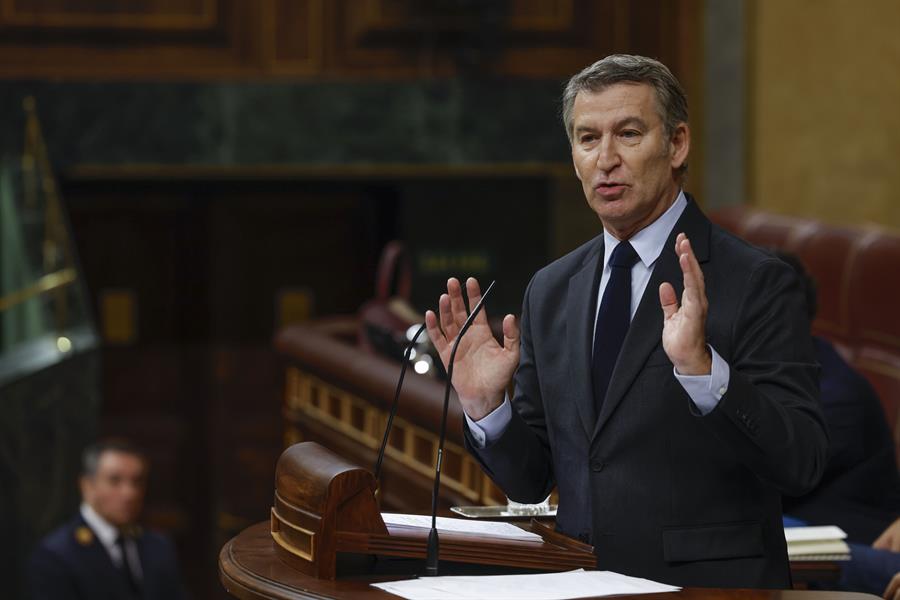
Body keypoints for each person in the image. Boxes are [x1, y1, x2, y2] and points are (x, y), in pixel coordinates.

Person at [424, 54, 829, 589]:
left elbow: (801, 462)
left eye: (629, 134)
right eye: (587, 139)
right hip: (575, 581)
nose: (605, 159)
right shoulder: (551, 288)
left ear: (677, 144)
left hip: (706, 588)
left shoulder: (757, 280)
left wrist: (705, 373)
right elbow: (531, 480)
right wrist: (487, 409)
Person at [774, 252, 900, 597]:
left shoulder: (838, 396)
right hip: (795, 525)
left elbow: (749, 483)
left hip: (854, 540)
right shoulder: (772, 375)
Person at [28, 439, 188, 600]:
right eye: (114, 480)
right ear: (87, 485)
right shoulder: (56, 556)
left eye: (137, 481)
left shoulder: (158, 547)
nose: (129, 493)